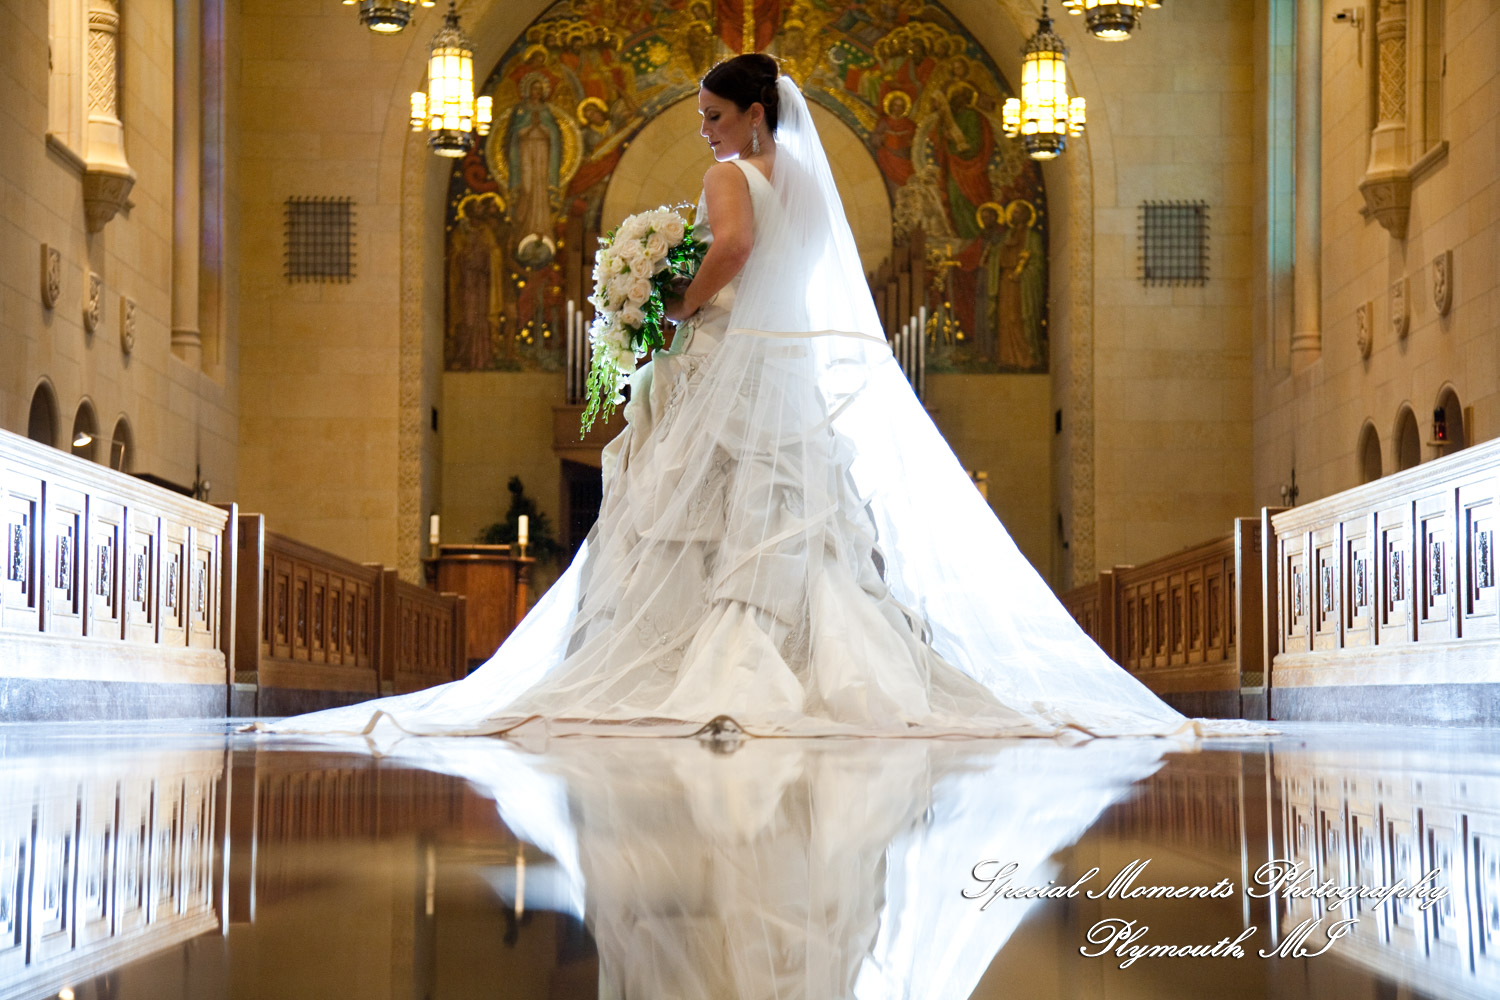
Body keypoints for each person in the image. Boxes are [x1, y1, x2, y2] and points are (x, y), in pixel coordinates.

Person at [259, 55, 1260, 741]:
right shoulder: (813, 191)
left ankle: (715, 669)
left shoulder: (732, 177)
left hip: (728, 363)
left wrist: (664, 312)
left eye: (711, 117)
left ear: (749, 116)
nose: (705, 132)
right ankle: (815, 670)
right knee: (793, 526)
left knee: (696, 519)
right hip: (785, 379)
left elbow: (729, 254)